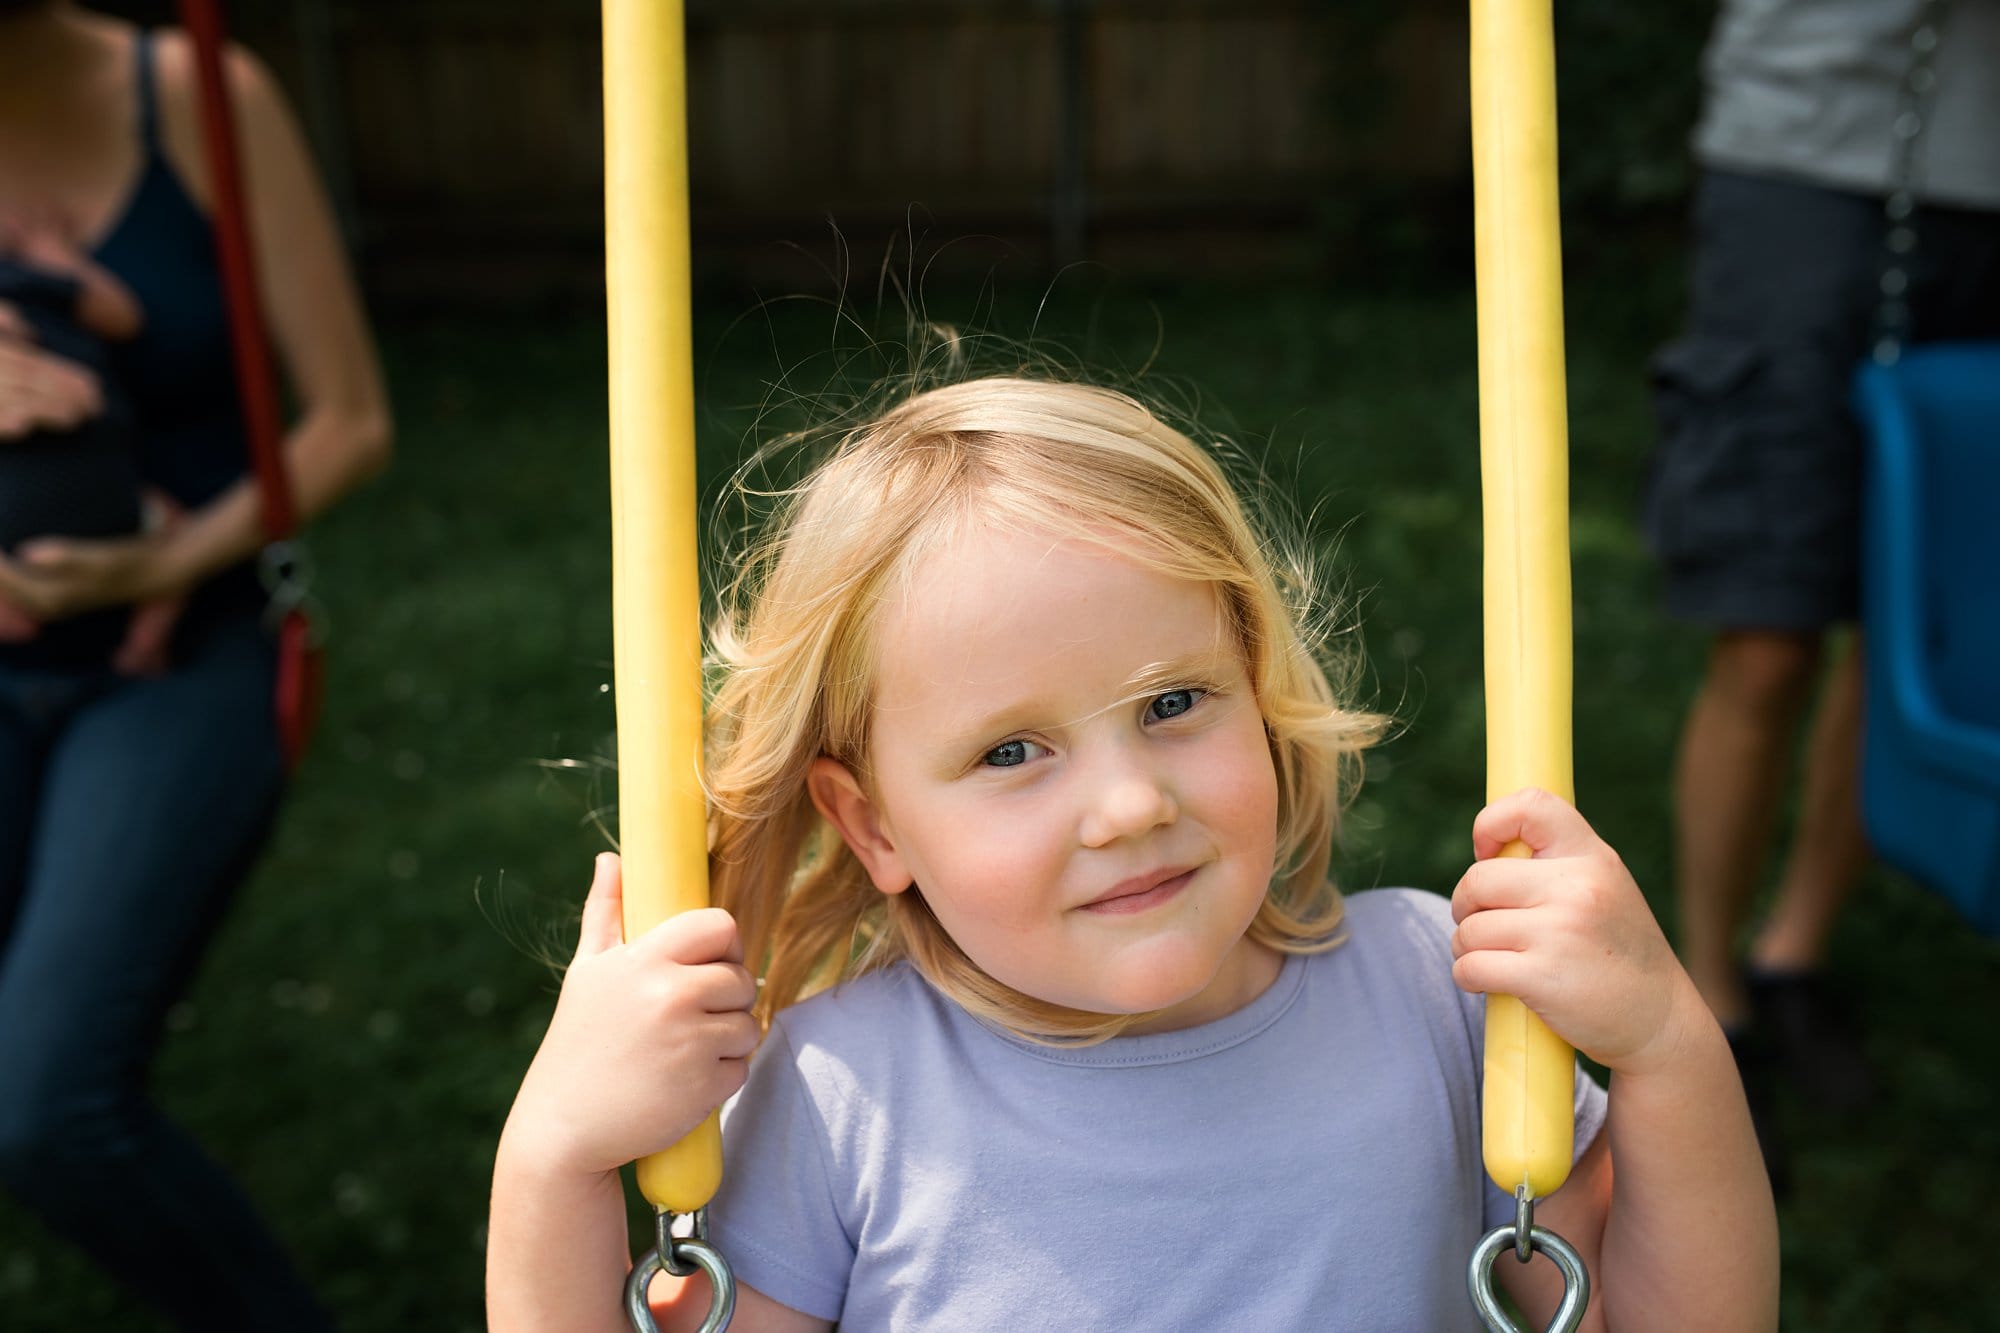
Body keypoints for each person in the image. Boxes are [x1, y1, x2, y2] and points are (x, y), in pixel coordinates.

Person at [488, 376, 1778, 1330]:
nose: (1124, 806)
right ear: (874, 824)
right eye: (1010, 753)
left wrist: (1665, 1039)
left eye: (1172, 705)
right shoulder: (838, 1096)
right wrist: (550, 1158)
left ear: (1260, 693)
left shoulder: (1435, 992)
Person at [0, 2, 391, 1328]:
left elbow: (348, 418)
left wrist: (162, 565)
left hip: (184, 660)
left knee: (46, 1102)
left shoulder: (203, 97)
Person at [1646, 0, 2000, 1150]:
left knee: (1903, 619)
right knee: (1769, 627)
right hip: (1798, 162)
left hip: (1984, 181)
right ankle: (1703, 995)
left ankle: (1791, 948)